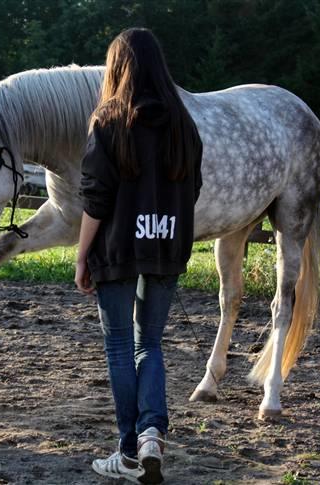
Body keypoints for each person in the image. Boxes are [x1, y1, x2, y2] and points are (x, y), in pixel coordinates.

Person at [75, 28, 203, 484]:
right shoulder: (184, 123)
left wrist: (82, 254)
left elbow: (96, 197)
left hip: (117, 249)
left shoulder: (107, 120)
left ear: (118, 68)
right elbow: (193, 189)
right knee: (149, 344)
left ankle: (128, 452)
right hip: (168, 247)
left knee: (118, 347)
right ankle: (151, 434)